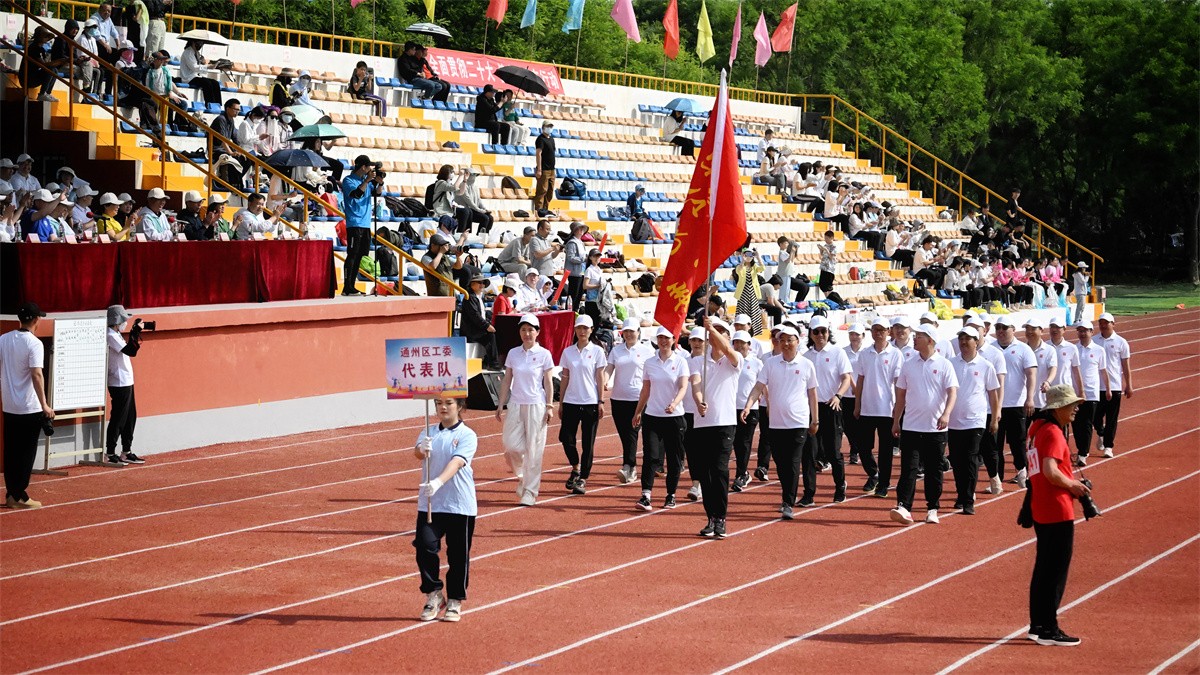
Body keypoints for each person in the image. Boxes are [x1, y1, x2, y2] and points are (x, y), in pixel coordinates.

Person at [1025, 384, 1091, 647]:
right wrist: (1073, 485)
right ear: (1058, 408)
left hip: (1041, 506)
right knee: (1055, 571)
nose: (1076, 409)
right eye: (1071, 405)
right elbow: (1050, 471)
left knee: (1043, 569)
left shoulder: (1037, 430)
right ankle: (1049, 628)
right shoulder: (1053, 433)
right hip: (1057, 509)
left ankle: (1038, 624)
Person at [741, 325, 819, 520]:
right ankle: (787, 495)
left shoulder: (806, 364)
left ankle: (787, 502)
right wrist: (748, 405)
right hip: (776, 422)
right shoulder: (770, 363)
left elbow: (812, 393)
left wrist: (815, 419)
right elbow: (759, 386)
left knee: (793, 463)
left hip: (798, 422)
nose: (785, 344)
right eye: (781, 340)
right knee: (781, 463)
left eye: (789, 340)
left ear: (797, 341)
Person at [413, 395, 478, 623]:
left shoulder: (467, 435)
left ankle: (455, 600)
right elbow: (418, 454)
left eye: (448, 403)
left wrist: (438, 482)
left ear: (459, 407)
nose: (442, 407)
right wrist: (423, 447)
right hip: (431, 503)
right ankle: (434, 593)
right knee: (424, 546)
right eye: (439, 403)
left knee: (458, 554)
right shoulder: (428, 430)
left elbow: (457, 462)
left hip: (459, 504)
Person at [889, 325, 958, 525]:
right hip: (911, 426)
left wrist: (946, 414)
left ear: (930, 340)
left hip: (935, 429)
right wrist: (896, 421)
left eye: (919, 336)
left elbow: (952, 392)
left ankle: (932, 508)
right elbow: (900, 396)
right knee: (908, 469)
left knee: (933, 470)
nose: (914, 338)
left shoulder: (945, 364)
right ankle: (903, 506)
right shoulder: (908, 364)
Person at [688, 317, 742, 538]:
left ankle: (720, 517)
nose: (715, 334)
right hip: (702, 422)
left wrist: (711, 328)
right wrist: (699, 401)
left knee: (719, 470)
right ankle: (711, 517)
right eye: (713, 330)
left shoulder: (734, 360)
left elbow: (728, 349)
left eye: (721, 331)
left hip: (725, 423)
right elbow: (695, 384)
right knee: (705, 473)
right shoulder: (698, 361)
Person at [495, 315, 554, 506]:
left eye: (531, 330)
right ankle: (522, 476)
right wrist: (500, 403)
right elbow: (507, 380)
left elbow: (548, 382)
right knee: (511, 445)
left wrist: (550, 406)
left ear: (537, 332)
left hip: (536, 404)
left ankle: (530, 491)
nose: (527, 334)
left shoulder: (544, 354)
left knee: (534, 449)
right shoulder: (513, 353)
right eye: (523, 330)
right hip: (516, 403)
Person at [1, 302, 53, 508]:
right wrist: (45, 405)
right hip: (29, 406)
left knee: (11, 451)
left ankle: (11, 492)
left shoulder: (4, 339)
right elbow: (36, 374)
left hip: (9, 405)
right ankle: (19, 494)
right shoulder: (34, 344)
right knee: (26, 453)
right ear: (35, 320)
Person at [633, 327, 690, 511]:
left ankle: (671, 495)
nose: (663, 341)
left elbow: (683, 387)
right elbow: (646, 389)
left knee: (674, 459)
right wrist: (638, 411)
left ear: (673, 340)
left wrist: (674, 403)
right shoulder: (650, 363)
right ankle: (646, 495)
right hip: (653, 416)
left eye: (666, 338)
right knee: (651, 455)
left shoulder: (681, 361)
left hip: (674, 417)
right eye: (660, 338)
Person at [946, 326, 1000, 515]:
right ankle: (961, 495)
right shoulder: (950, 363)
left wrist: (994, 418)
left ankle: (968, 500)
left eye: (967, 339)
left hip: (975, 421)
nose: (963, 343)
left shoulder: (986, 366)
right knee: (957, 460)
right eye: (961, 339)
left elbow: (993, 394)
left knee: (970, 460)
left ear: (976, 342)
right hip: (953, 421)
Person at [802, 315, 851, 504]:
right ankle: (809, 493)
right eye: (816, 331)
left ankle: (840, 486)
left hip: (832, 407)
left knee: (833, 452)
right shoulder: (805, 357)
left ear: (828, 333)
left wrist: (838, 395)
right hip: (811, 409)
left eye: (824, 331)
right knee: (809, 454)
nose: (820, 334)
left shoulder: (838, 353)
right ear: (811, 334)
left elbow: (846, 378)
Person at [558, 315, 607, 495]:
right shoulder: (568, 352)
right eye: (579, 328)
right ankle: (575, 466)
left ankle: (583, 478)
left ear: (591, 330)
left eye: (586, 328)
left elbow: (600, 377)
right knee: (565, 437)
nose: (582, 331)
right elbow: (565, 377)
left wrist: (600, 401)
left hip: (590, 402)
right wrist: (561, 402)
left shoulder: (597, 351)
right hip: (571, 401)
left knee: (588, 442)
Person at [854, 318, 902, 497]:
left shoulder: (895, 354)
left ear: (889, 331)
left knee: (886, 450)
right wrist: (857, 404)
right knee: (863, 447)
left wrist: (897, 407)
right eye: (875, 329)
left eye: (882, 330)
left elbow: (898, 383)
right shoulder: (865, 354)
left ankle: (884, 483)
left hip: (886, 409)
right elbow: (860, 379)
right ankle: (873, 473)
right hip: (867, 407)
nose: (878, 333)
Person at [993, 315, 1038, 489]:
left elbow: (1031, 375)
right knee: (995, 444)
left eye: (1005, 328)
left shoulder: (1023, 349)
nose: (1001, 331)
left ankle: (1022, 471)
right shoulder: (990, 349)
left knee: (1017, 442)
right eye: (998, 328)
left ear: (1013, 329)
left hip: (1016, 404)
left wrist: (1030, 397)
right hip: (995, 405)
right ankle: (997, 477)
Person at [606, 318, 653, 485]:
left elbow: (652, 373)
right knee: (624, 434)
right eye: (626, 331)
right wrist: (604, 380)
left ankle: (629, 467)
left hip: (638, 398)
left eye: (631, 331)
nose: (628, 334)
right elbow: (609, 369)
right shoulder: (616, 351)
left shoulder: (646, 351)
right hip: (618, 398)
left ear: (638, 332)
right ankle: (631, 465)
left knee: (632, 432)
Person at [103, 305, 146, 466]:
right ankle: (110, 452)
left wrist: (135, 334)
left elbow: (131, 349)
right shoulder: (110, 335)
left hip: (127, 381)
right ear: (117, 320)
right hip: (118, 382)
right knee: (119, 418)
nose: (125, 323)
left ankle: (126, 451)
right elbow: (130, 351)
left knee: (130, 417)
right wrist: (135, 333)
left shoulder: (117, 334)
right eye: (123, 320)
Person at [339, 155, 382, 295]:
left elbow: (377, 193)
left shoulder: (367, 181)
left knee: (360, 255)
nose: (370, 169)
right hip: (354, 222)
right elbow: (356, 194)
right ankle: (347, 286)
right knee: (352, 254)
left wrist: (379, 183)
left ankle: (352, 285)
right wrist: (368, 180)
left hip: (365, 224)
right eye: (368, 166)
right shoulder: (348, 180)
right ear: (363, 167)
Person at [1093, 312, 1132, 458]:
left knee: (1111, 418)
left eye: (1106, 322)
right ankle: (1101, 432)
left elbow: (1125, 366)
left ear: (1113, 324)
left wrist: (1129, 385)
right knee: (1095, 417)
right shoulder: (1094, 340)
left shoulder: (1121, 342)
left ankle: (1109, 446)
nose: (1103, 325)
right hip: (1096, 386)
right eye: (1101, 322)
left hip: (1114, 385)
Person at [1071, 319, 1109, 466]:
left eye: (1085, 330)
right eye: (1079, 331)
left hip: (1092, 393)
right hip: (1074, 393)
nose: (1082, 333)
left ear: (1091, 332)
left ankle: (1082, 454)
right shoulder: (1074, 349)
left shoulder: (1099, 350)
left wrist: (1108, 389)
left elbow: (1103, 371)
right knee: (1076, 424)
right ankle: (1081, 447)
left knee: (1087, 423)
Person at [730, 329, 764, 491]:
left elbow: (763, 385)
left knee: (744, 442)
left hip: (749, 408)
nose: (738, 346)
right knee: (733, 443)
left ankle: (741, 474)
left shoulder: (757, 363)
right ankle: (741, 472)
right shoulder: (728, 361)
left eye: (742, 343)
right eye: (736, 342)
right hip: (729, 407)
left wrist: (768, 404)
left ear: (749, 345)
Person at [459, 275, 500, 371]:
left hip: (478, 328)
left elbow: (482, 314)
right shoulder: (469, 297)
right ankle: (493, 363)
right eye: (479, 283)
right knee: (490, 336)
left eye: (483, 283)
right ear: (472, 284)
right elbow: (475, 315)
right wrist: (487, 326)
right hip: (471, 331)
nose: (482, 285)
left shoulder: (478, 297)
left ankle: (487, 361)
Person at [841, 323, 868, 468]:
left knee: (860, 425)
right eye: (852, 334)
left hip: (863, 394)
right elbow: (846, 371)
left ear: (863, 336)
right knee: (847, 424)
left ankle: (855, 450)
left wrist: (860, 390)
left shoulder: (866, 352)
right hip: (848, 394)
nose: (854, 337)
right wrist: (853, 387)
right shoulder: (843, 352)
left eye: (857, 334)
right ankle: (854, 445)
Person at [1024, 318, 1059, 411]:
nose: (1029, 331)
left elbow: (1053, 368)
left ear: (1041, 331)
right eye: (1027, 329)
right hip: (1023, 400)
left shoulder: (1049, 350)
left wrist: (1048, 382)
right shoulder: (1021, 349)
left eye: (1033, 329)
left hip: (1042, 401)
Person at [18, 27, 58, 102]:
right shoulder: (33, 48)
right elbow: (44, 64)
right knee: (50, 69)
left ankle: (47, 93)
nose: (46, 38)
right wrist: (59, 61)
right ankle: (42, 94)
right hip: (27, 78)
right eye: (45, 36)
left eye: (47, 36)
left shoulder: (41, 49)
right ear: (38, 37)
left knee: (55, 70)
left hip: (33, 76)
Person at [421, 234, 467, 298]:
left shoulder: (444, 257)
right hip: (437, 295)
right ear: (432, 245)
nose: (442, 247)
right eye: (439, 245)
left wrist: (458, 256)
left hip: (449, 293)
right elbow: (432, 266)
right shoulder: (426, 257)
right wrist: (441, 252)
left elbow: (458, 266)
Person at [180, 39, 223, 105]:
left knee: (215, 83)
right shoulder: (188, 52)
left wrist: (203, 62)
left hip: (196, 76)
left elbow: (199, 66)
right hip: (189, 78)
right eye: (199, 43)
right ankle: (210, 104)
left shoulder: (196, 53)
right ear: (193, 42)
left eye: (202, 43)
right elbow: (194, 67)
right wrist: (208, 66)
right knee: (207, 83)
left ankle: (218, 105)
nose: (200, 45)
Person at [429, 165, 470, 233]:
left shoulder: (449, 184)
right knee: (464, 212)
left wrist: (465, 180)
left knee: (468, 211)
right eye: (451, 172)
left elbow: (460, 192)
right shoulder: (441, 183)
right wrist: (460, 176)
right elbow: (454, 187)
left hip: (449, 210)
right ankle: (459, 234)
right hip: (441, 211)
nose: (453, 174)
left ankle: (465, 232)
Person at [732, 248, 765, 335]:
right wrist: (742, 260)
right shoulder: (740, 266)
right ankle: (742, 329)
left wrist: (758, 257)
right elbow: (739, 271)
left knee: (753, 311)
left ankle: (754, 330)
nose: (749, 257)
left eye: (751, 255)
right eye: (747, 255)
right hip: (743, 293)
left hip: (753, 292)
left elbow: (762, 268)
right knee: (743, 310)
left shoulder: (754, 267)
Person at [454, 169, 493, 234]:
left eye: (475, 175)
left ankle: (484, 235)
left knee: (490, 218)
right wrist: (480, 210)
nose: (474, 177)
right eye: (473, 174)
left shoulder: (475, 187)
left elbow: (478, 200)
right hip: (466, 210)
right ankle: (476, 235)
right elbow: (469, 201)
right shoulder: (463, 186)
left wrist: (485, 209)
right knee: (485, 218)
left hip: (474, 210)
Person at [531, 122, 557, 216]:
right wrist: (539, 169)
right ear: (543, 127)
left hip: (552, 169)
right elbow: (538, 153)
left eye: (551, 126)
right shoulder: (540, 139)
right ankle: (539, 210)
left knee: (550, 191)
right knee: (542, 191)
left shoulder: (552, 139)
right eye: (548, 126)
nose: (549, 128)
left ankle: (545, 209)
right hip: (544, 169)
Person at [562, 222, 588, 309]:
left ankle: (575, 311)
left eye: (582, 229)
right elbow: (571, 257)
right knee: (573, 295)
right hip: (574, 273)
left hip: (581, 272)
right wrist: (583, 259)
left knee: (579, 295)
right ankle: (570, 311)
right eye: (579, 229)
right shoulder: (572, 243)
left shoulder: (581, 242)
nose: (581, 231)